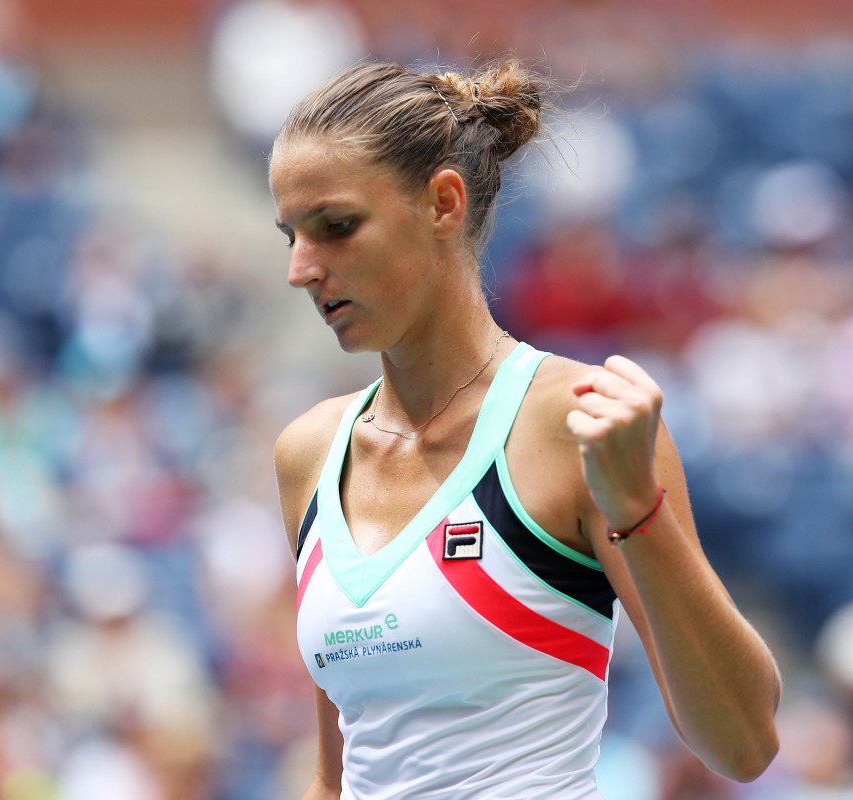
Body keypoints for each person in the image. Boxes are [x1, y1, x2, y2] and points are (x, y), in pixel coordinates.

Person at [269, 59, 781, 799]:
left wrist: (638, 508)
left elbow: (743, 743)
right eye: (291, 235)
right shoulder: (309, 452)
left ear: (443, 203)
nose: (301, 269)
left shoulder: (578, 420)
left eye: (336, 227)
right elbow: (337, 776)